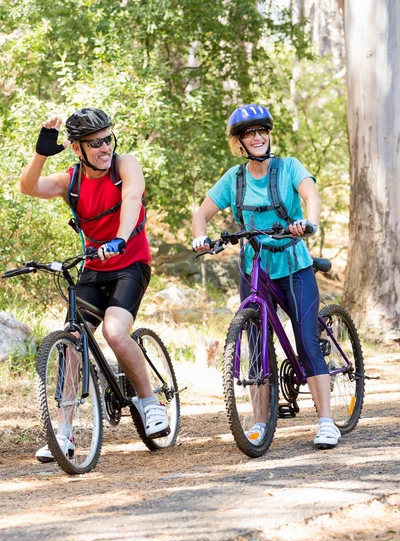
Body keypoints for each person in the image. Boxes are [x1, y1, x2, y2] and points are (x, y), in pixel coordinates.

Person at [20, 108, 169, 462]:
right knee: (72, 341)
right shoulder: (69, 181)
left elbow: (133, 198)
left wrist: (119, 238)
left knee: (116, 332)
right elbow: (27, 188)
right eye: (95, 143)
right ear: (77, 149)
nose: (105, 147)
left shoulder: (124, 166)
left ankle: (150, 403)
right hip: (94, 267)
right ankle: (65, 433)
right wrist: (41, 151)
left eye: (107, 139)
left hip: (130, 263)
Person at [192, 103, 341, 449]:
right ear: (239, 143)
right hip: (254, 268)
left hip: (294, 266)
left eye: (262, 131)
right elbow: (202, 214)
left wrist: (308, 222)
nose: (258, 138)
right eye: (249, 133)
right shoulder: (235, 178)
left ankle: (326, 421)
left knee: (305, 341)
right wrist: (200, 236)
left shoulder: (289, 167)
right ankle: (259, 423)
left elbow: (311, 194)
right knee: (256, 347)